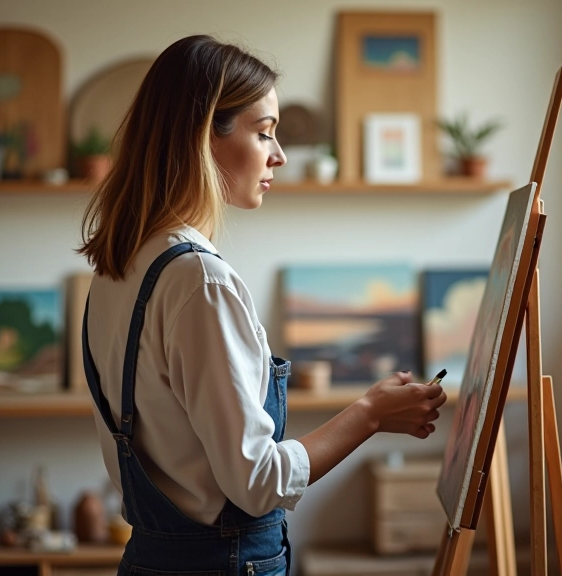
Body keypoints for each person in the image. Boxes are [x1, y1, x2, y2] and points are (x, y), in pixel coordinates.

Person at [76, 35, 447, 576]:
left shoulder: (118, 268)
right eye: (264, 132)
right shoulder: (200, 281)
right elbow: (258, 483)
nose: (280, 155)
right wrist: (368, 414)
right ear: (204, 135)